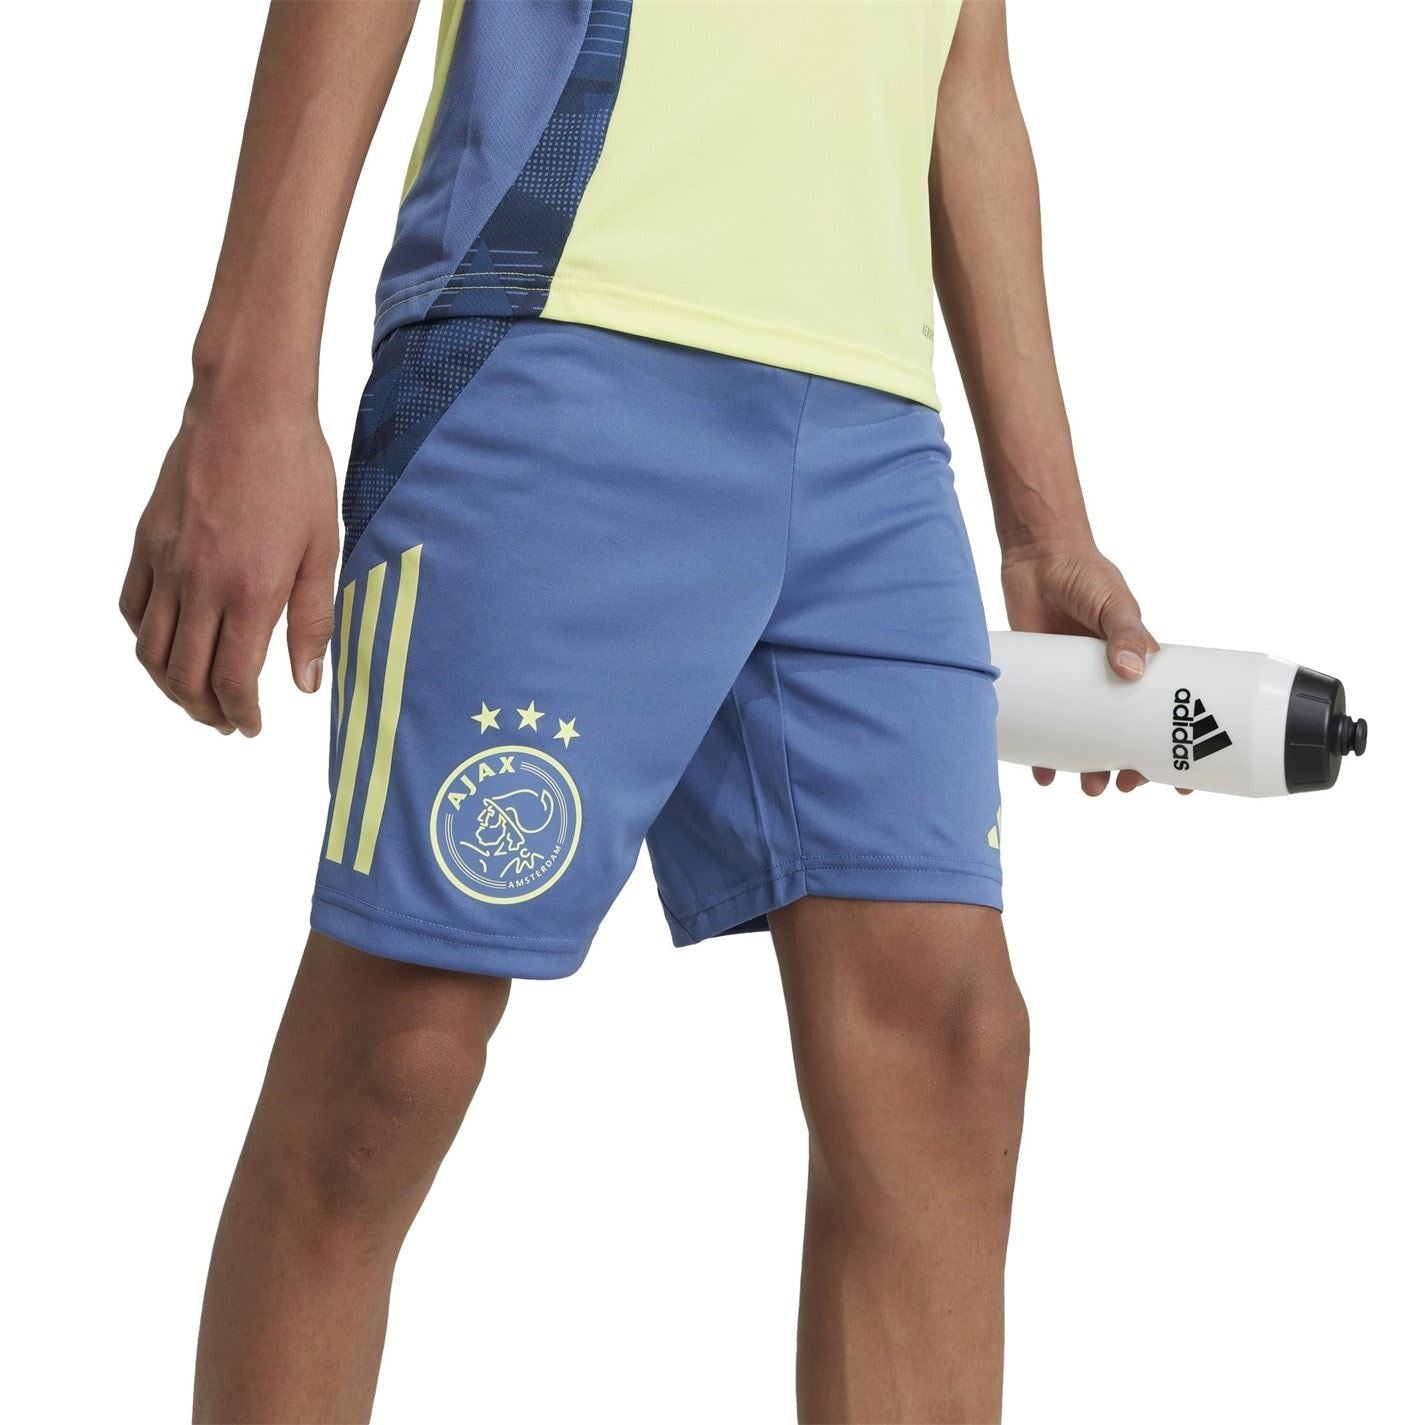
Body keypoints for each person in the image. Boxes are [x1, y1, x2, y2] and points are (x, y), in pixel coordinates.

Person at [120, 3, 1168, 1420]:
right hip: (554, 331)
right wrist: (245, 380)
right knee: (396, 1057)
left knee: (947, 1053)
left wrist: (1045, 526)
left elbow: (963, 51)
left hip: (869, 422)